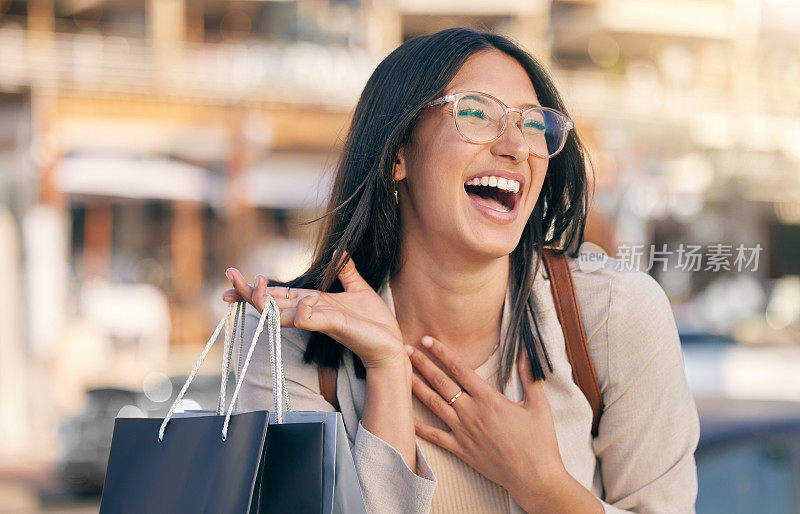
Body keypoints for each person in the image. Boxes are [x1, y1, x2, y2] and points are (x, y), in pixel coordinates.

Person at [222, 27, 699, 514]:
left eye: (534, 124)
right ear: (398, 153)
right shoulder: (287, 345)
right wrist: (387, 370)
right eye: (475, 112)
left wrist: (543, 486)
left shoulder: (614, 314)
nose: (516, 146)